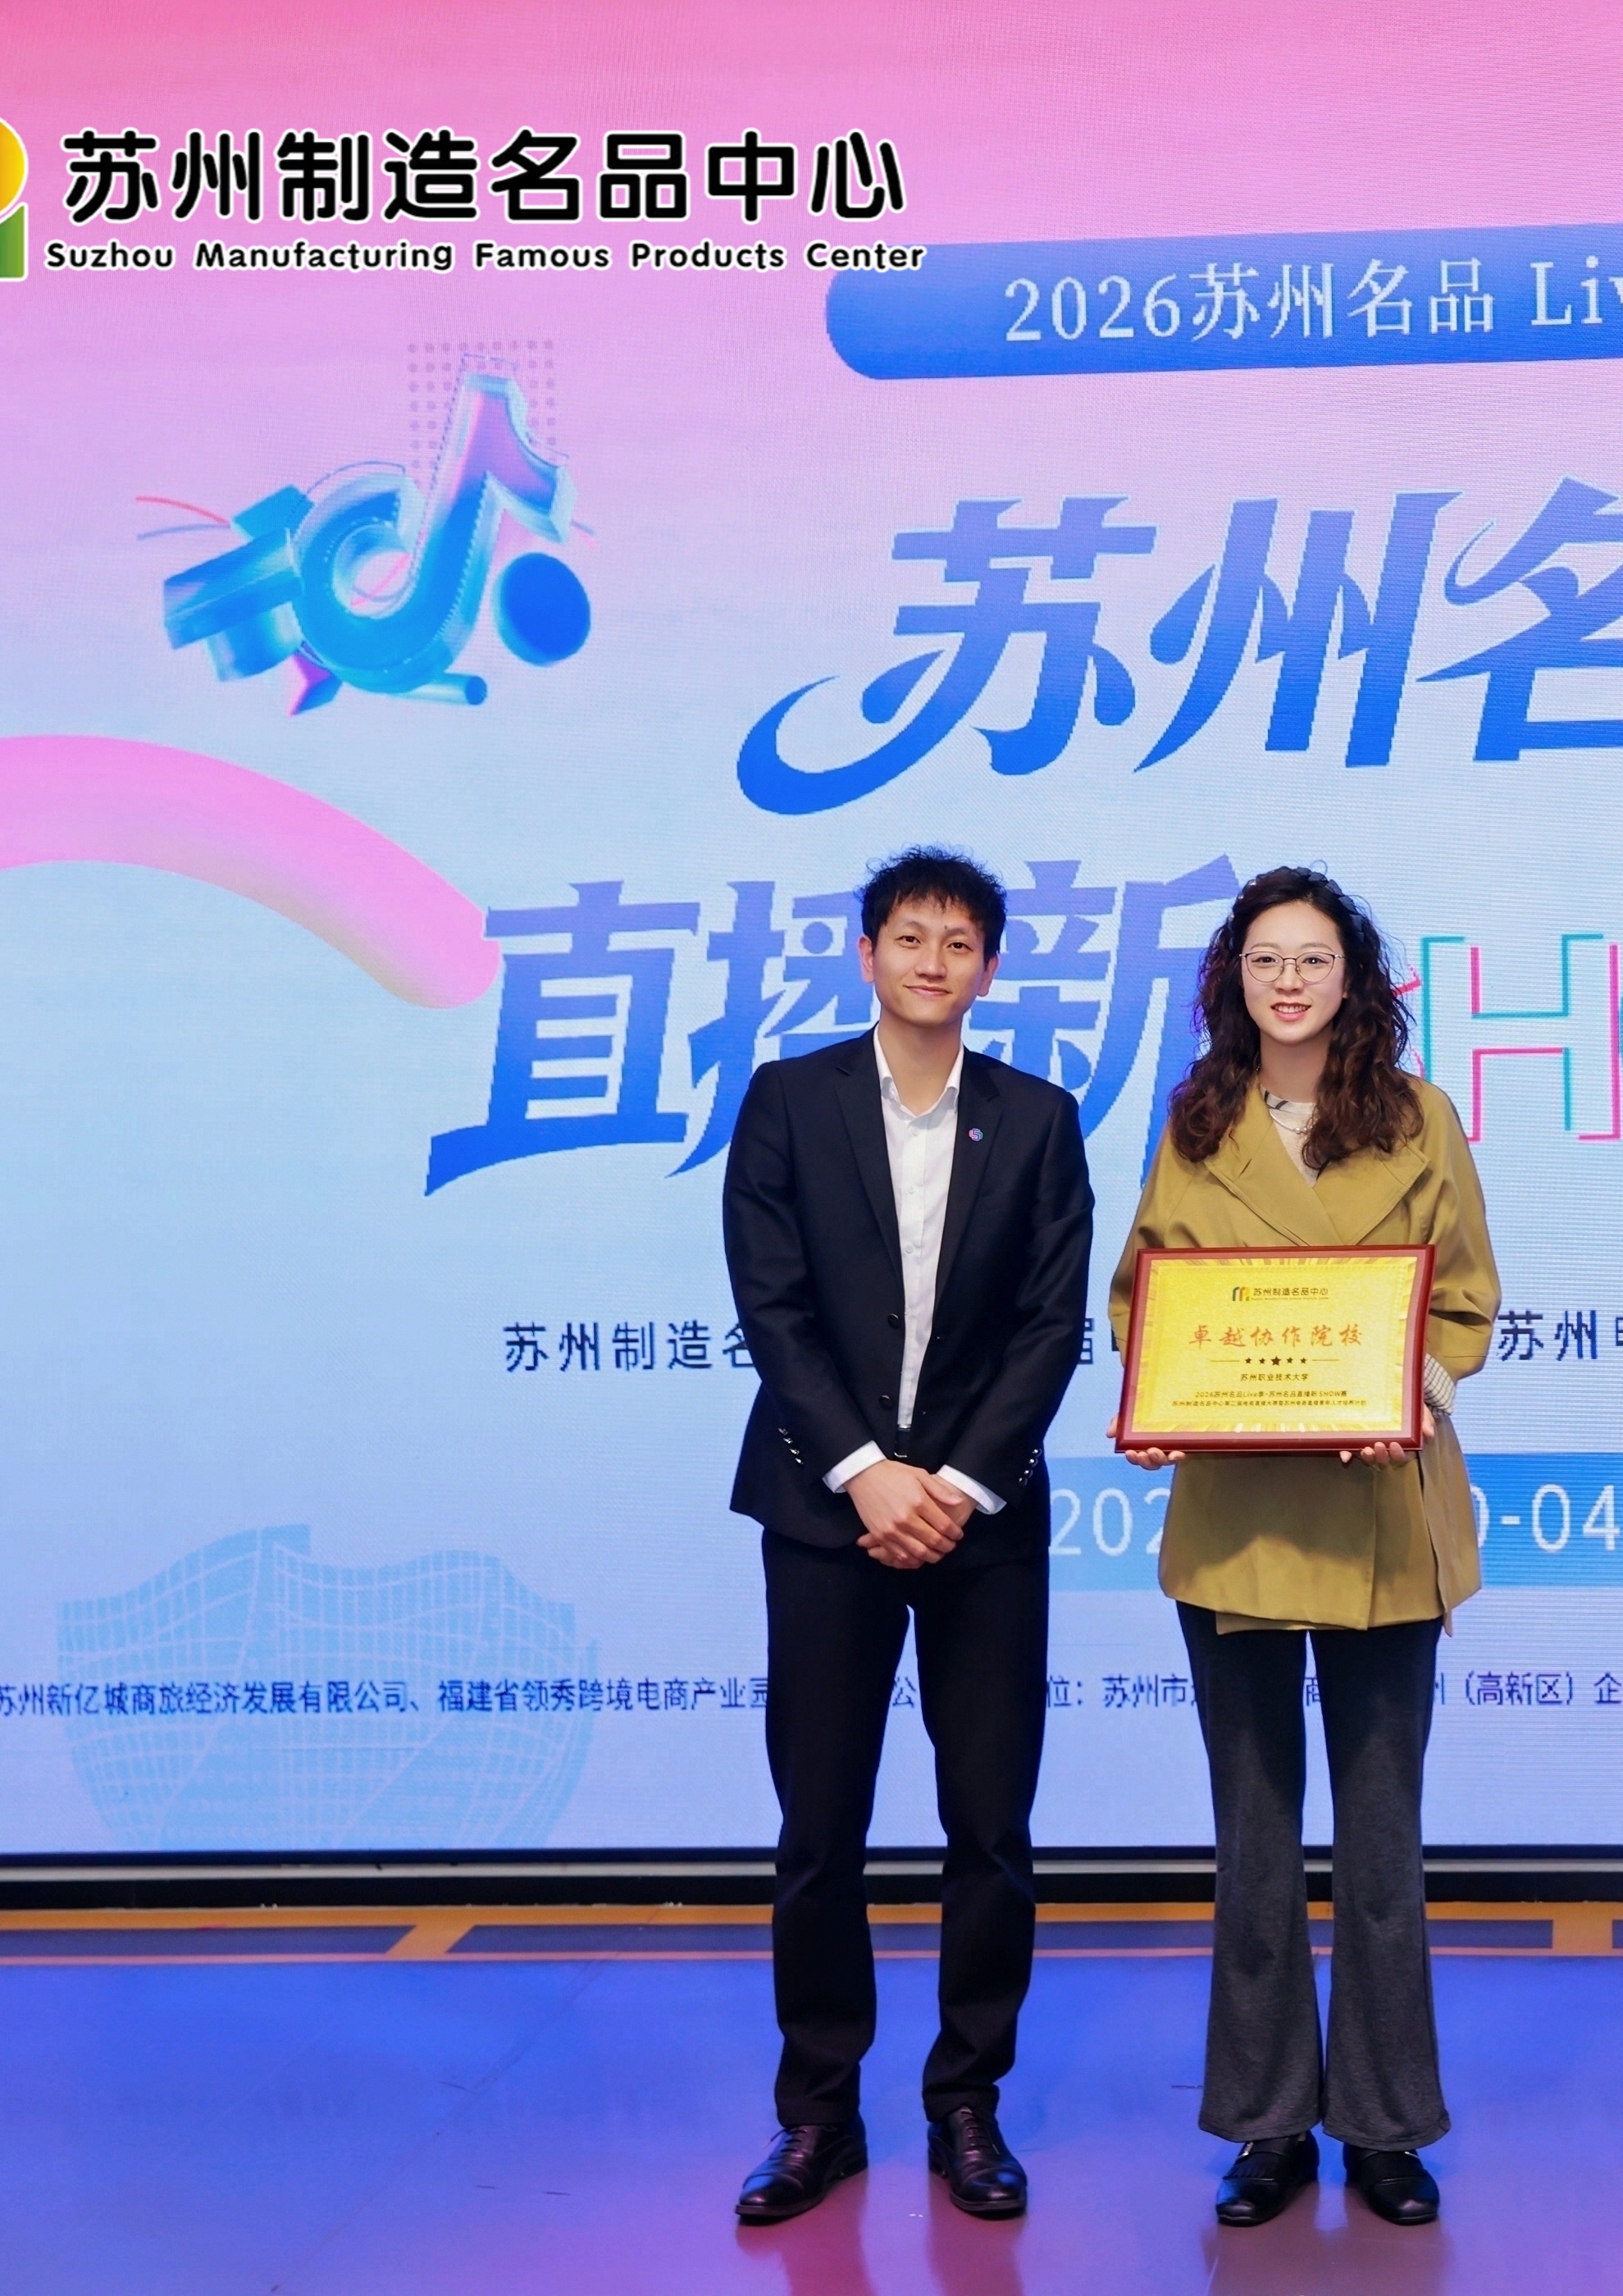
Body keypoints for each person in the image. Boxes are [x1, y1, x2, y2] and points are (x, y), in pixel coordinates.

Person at [1108, 865, 1499, 2230]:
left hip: (1385, 1511)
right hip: (1239, 1525)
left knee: (1382, 1843)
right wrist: (1155, 1400)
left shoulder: (1420, 1116)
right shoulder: (1196, 1121)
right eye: (1266, 956)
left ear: (1354, 978)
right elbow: (1143, 1296)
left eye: (1314, 956)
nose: (1289, 979)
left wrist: (1407, 1394)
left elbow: (1462, 1299)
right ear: (1234, 976)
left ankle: (1386, 2124)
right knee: (1255, 1840)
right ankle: (1267, 2122)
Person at [719, 847, 1094, 2223]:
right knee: (820, 1824)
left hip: (983, 1522)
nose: (934, 960)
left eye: (960, 941)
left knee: (990, 1825)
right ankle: (818, 2111)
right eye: (910, 936)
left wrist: (958, 1480)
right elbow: (772, 1303)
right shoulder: (788, 1099)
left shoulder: (1038, 1118)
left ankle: (967, 2102)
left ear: (990, 967)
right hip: (826, 1511)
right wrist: (867, 1472)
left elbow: (1053, 1321)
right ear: (867, 951)